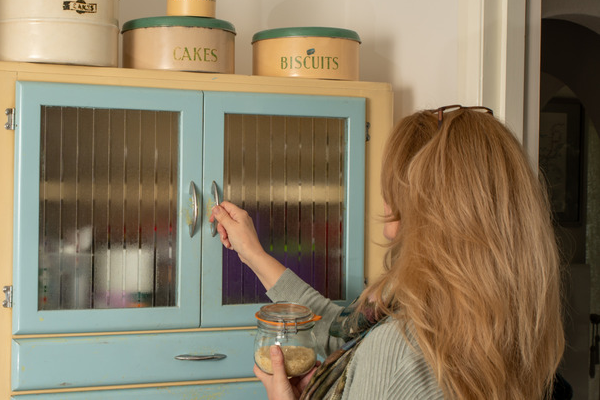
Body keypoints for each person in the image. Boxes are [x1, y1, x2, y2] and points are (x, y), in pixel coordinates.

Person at [210, 106, 565, 400]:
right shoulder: (504, 329)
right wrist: (251, 252)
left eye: (392, 188)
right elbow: (338, 330)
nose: (383, 203)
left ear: (421, 210)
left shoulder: (399, 350)